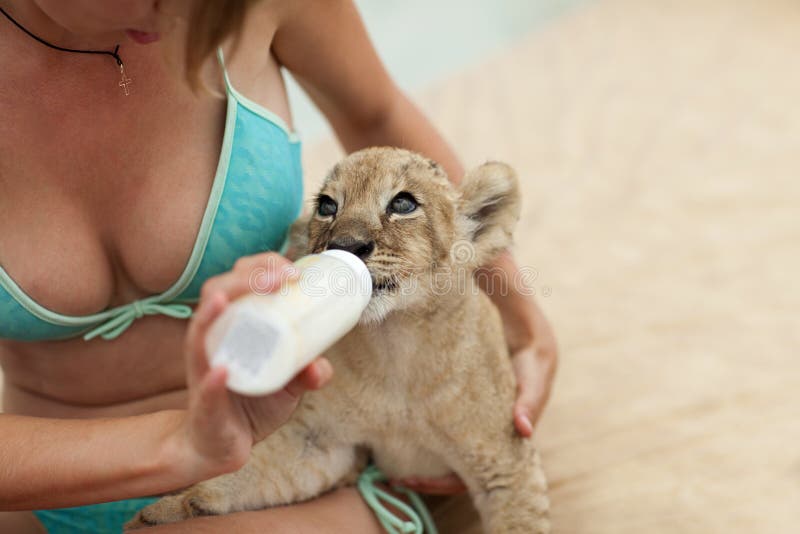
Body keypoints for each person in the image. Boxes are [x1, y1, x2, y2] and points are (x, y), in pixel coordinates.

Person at [0, 0, 558, 532]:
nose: (179, 13)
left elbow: (376, 112)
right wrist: (176, 447)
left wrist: (524, 322)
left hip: (306, 441)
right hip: (42, 478)